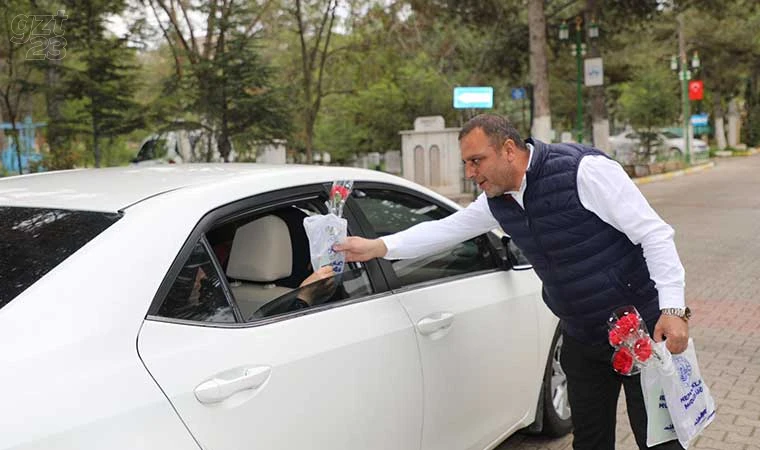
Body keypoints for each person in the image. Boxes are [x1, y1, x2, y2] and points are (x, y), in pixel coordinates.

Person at [334, 114, 689, 450]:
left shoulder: (583, 171)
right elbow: (447, 229)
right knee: (590, 442)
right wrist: (379, 246)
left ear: (507, 150)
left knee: (659, 441)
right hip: (582, 337)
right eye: (466, 164)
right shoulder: (496, 200)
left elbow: (653, 234)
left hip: (639, 329)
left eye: (477, 161)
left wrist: (672, 308)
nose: (471, 173)